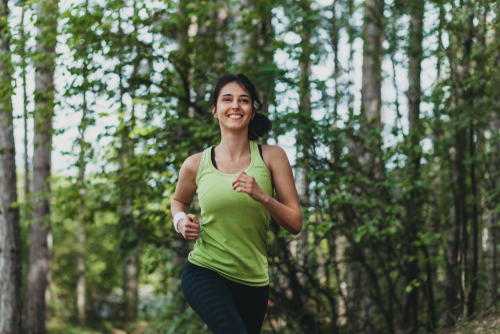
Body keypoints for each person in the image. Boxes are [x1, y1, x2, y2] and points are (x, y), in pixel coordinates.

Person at [170, 73, 302, 334]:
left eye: (244, 100)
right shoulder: (195, 164)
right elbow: (178, 201)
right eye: (227, 99)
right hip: (205, 270)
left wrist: (263, 196)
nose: (235, 106)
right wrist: (181, 222)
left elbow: (295, 223)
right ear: (214, 111)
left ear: (252, 112)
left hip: (253, 280)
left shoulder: (272, 157)